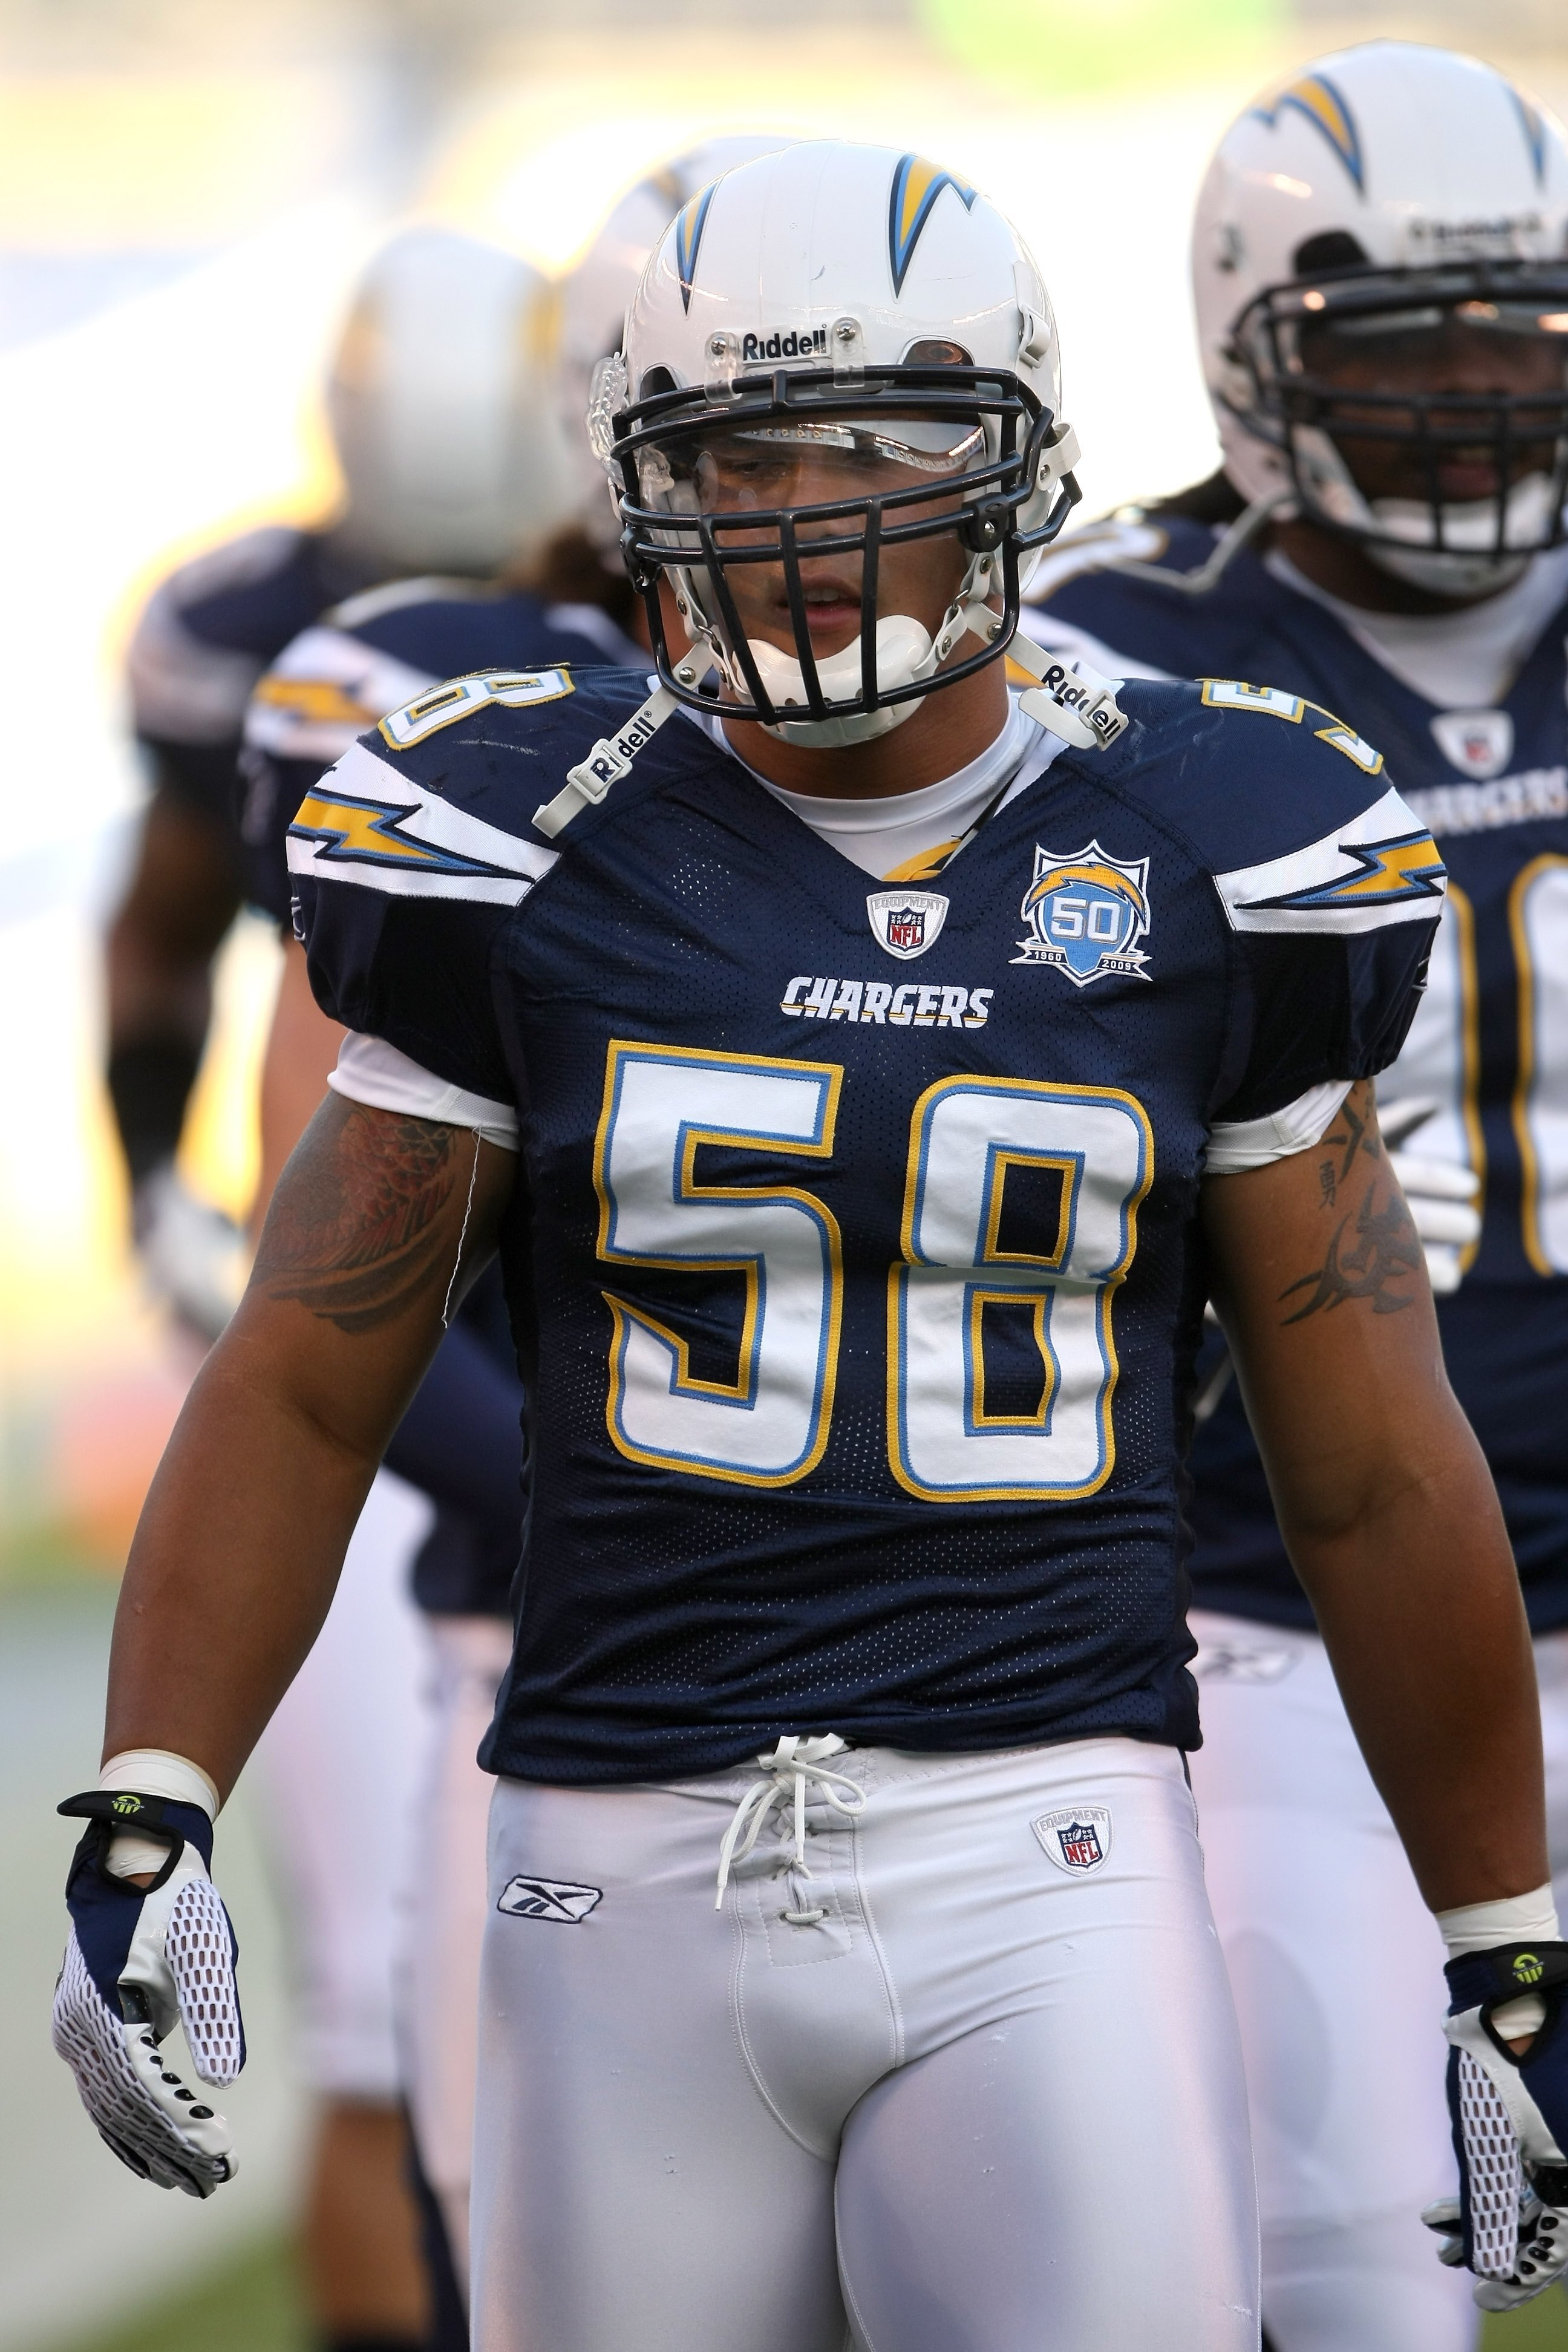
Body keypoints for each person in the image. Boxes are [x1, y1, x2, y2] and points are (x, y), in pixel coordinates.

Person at [53, 140, 1556, 2351]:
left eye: (890, 440)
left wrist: (1501, 1927)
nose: (816, 506)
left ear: (1019, 458)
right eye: (739, 452)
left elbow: (1366, 1455)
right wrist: (153, 1796)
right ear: (636, 485)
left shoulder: (1223, 837)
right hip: (608, 1846)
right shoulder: (512, 832)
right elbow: (301, 1365)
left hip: (1049, 1832)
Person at [1021, 40, 1568, 2349]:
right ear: (1252, 348)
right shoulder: (1102, 662)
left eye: (1507, 337)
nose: (1463, 401)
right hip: (1288, 1632)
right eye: (1396, 347)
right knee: (1350, 2283)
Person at [237, 142, 782, 2308]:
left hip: (972, 1649)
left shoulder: (1027, 729)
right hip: (553, 1600)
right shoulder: (446, 710)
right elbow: (333, 1223)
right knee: (521, 2220)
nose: (796, 493)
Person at [99, 223, 575, 2352]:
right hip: (371, 1307)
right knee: (402, 1999)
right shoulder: (271, 655)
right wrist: (148, 1189)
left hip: (598, 1320)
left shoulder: (657, 609)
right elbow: (178, 929)